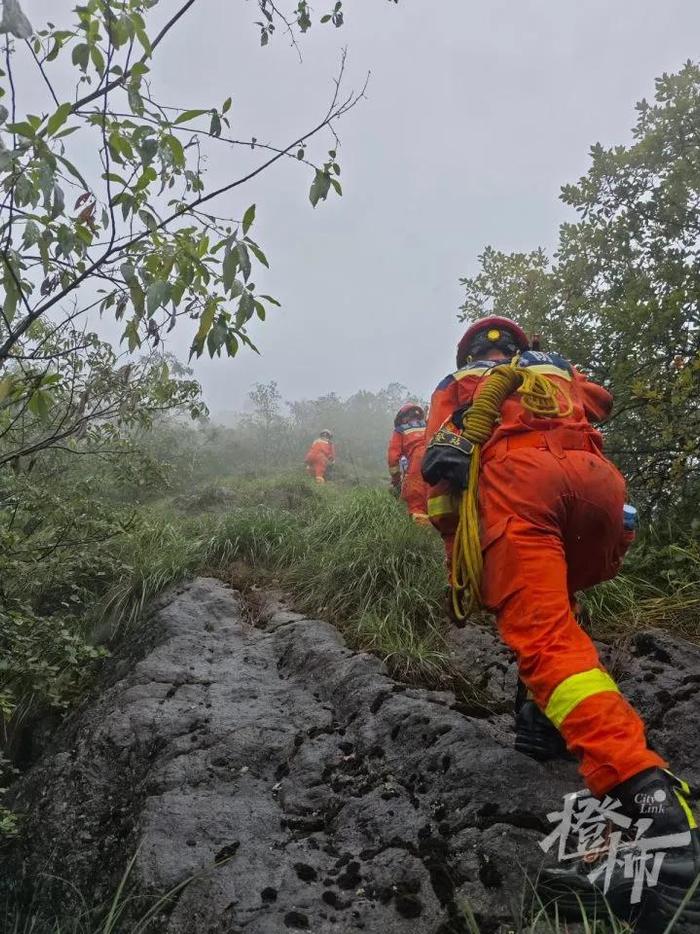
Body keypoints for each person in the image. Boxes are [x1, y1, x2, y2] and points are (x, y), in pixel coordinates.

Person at [421, 315, 699, 931]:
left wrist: (455, 537)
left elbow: (436, 471)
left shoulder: (459, 384)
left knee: (546, 638)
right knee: (559, 615)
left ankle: (665, 837)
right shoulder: (557, 371)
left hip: (522, 489)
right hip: (600, 496)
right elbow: (600, 403)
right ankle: (541, 722)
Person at [387, 403, 430, 525]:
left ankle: (421, 538)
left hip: (418, 464)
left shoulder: (401, 430)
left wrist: (396, 481)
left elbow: (393, 458)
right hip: (438, 459)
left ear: (403, 418)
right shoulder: (430, 424)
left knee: (417, 505)